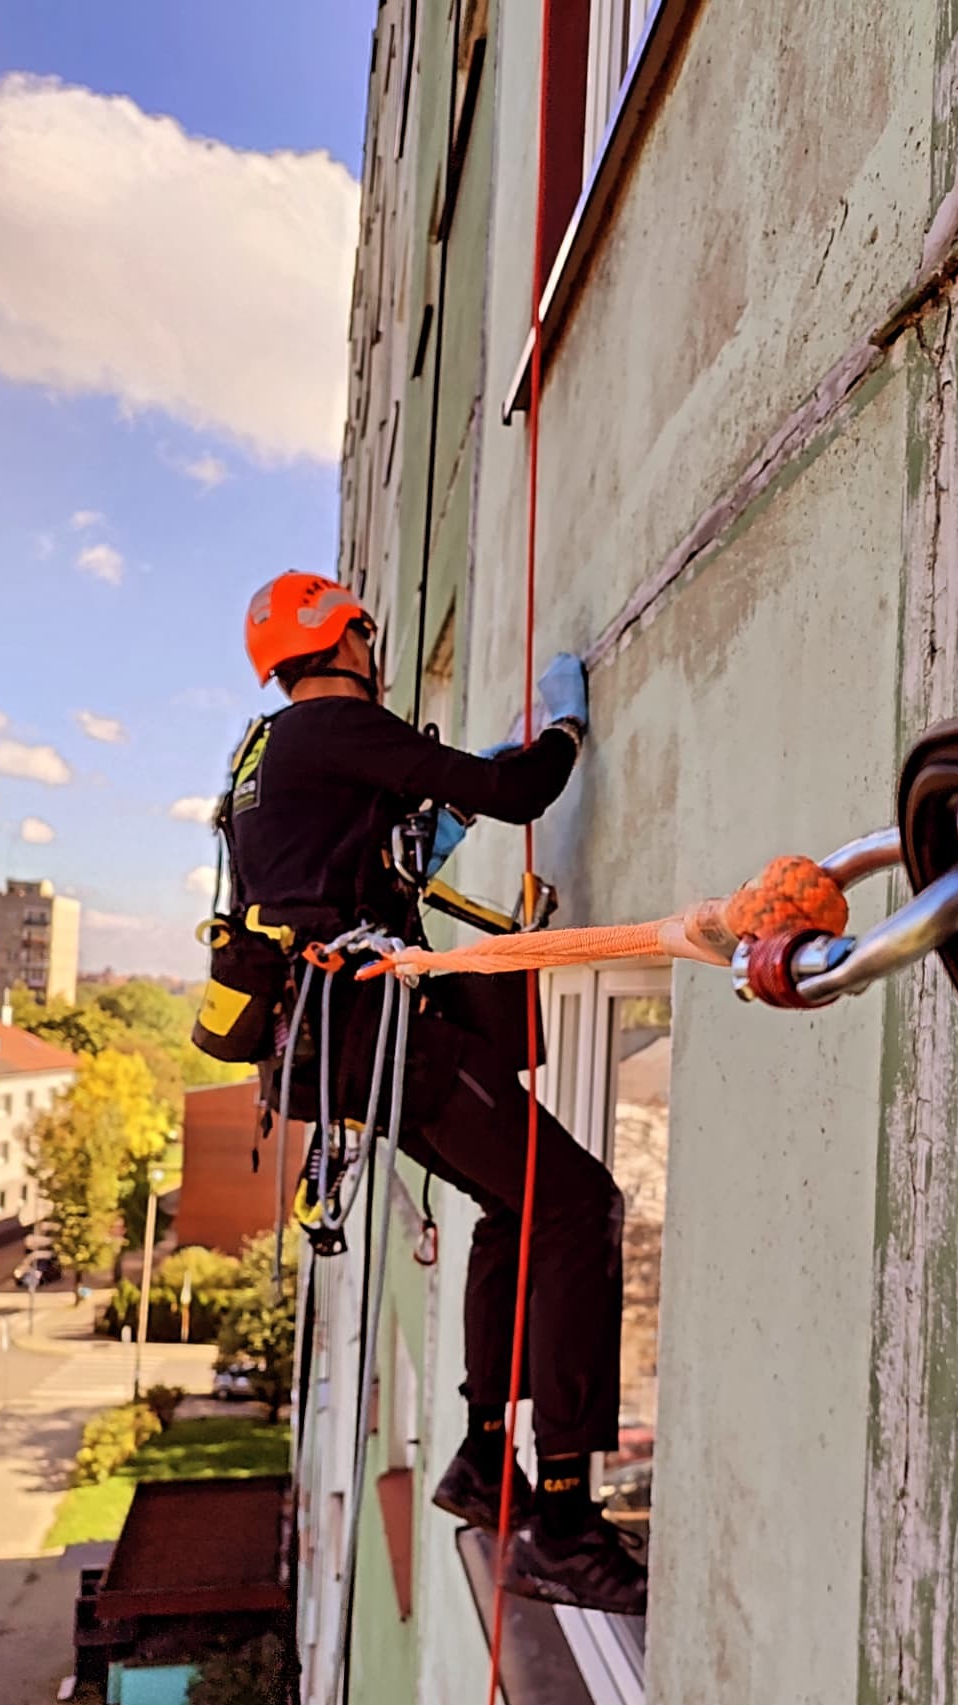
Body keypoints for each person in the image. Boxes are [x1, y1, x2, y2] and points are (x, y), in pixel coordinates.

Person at [228, 570, 645, 1616]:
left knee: (521, 1204)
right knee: (579, 1201)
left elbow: (346, 857)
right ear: (342, 638)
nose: (376, 649)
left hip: (340, 1041)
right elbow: (518, 795)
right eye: (366, 632)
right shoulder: (334, 726)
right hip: (387, 1030)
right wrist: (561, 733)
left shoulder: (263, 755)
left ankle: (480, 1458)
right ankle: (562, 1516)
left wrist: (425, 824)